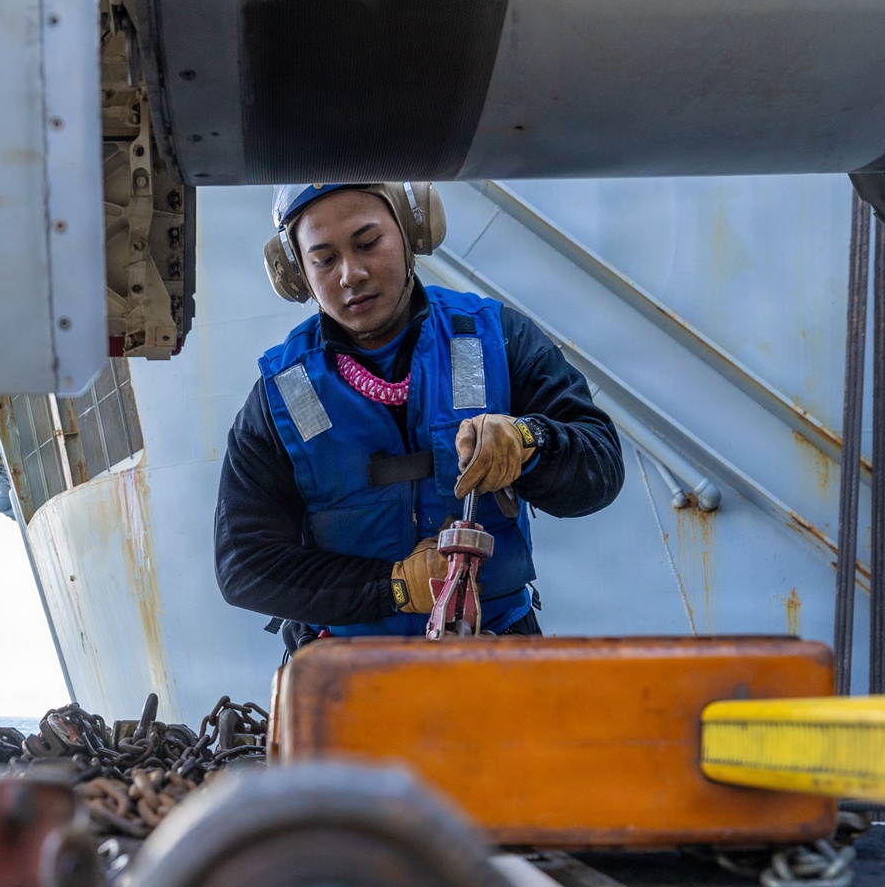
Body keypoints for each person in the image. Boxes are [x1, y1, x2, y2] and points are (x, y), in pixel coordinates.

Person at [215, 183, 623, 647]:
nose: (351, 274)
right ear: (297, 272)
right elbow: (244, 564)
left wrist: (529, 442)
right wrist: (392, 587)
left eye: (368, 244)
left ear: (412, 230)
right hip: (347, 672)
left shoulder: (497, 337)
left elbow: (601, 467)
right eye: (324, 259)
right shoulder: (283, 394)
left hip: (496, 649)